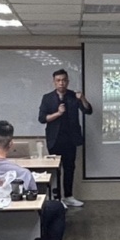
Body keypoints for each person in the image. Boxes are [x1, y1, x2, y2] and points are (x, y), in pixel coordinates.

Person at [38, 69, 92, 207]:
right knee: (55, 170)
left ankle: (68, 196)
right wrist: (58, 113)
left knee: (69, 168)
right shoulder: (47, 98)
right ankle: (57, 198)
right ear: (54, 82)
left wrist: (82, 98)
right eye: (58, 80)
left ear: (67, 81)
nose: (61, 83)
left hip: (71, 139)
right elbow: (42, 118)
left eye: (63, 80)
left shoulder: (74, 96)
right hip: (54, 139)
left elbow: (88, 110)